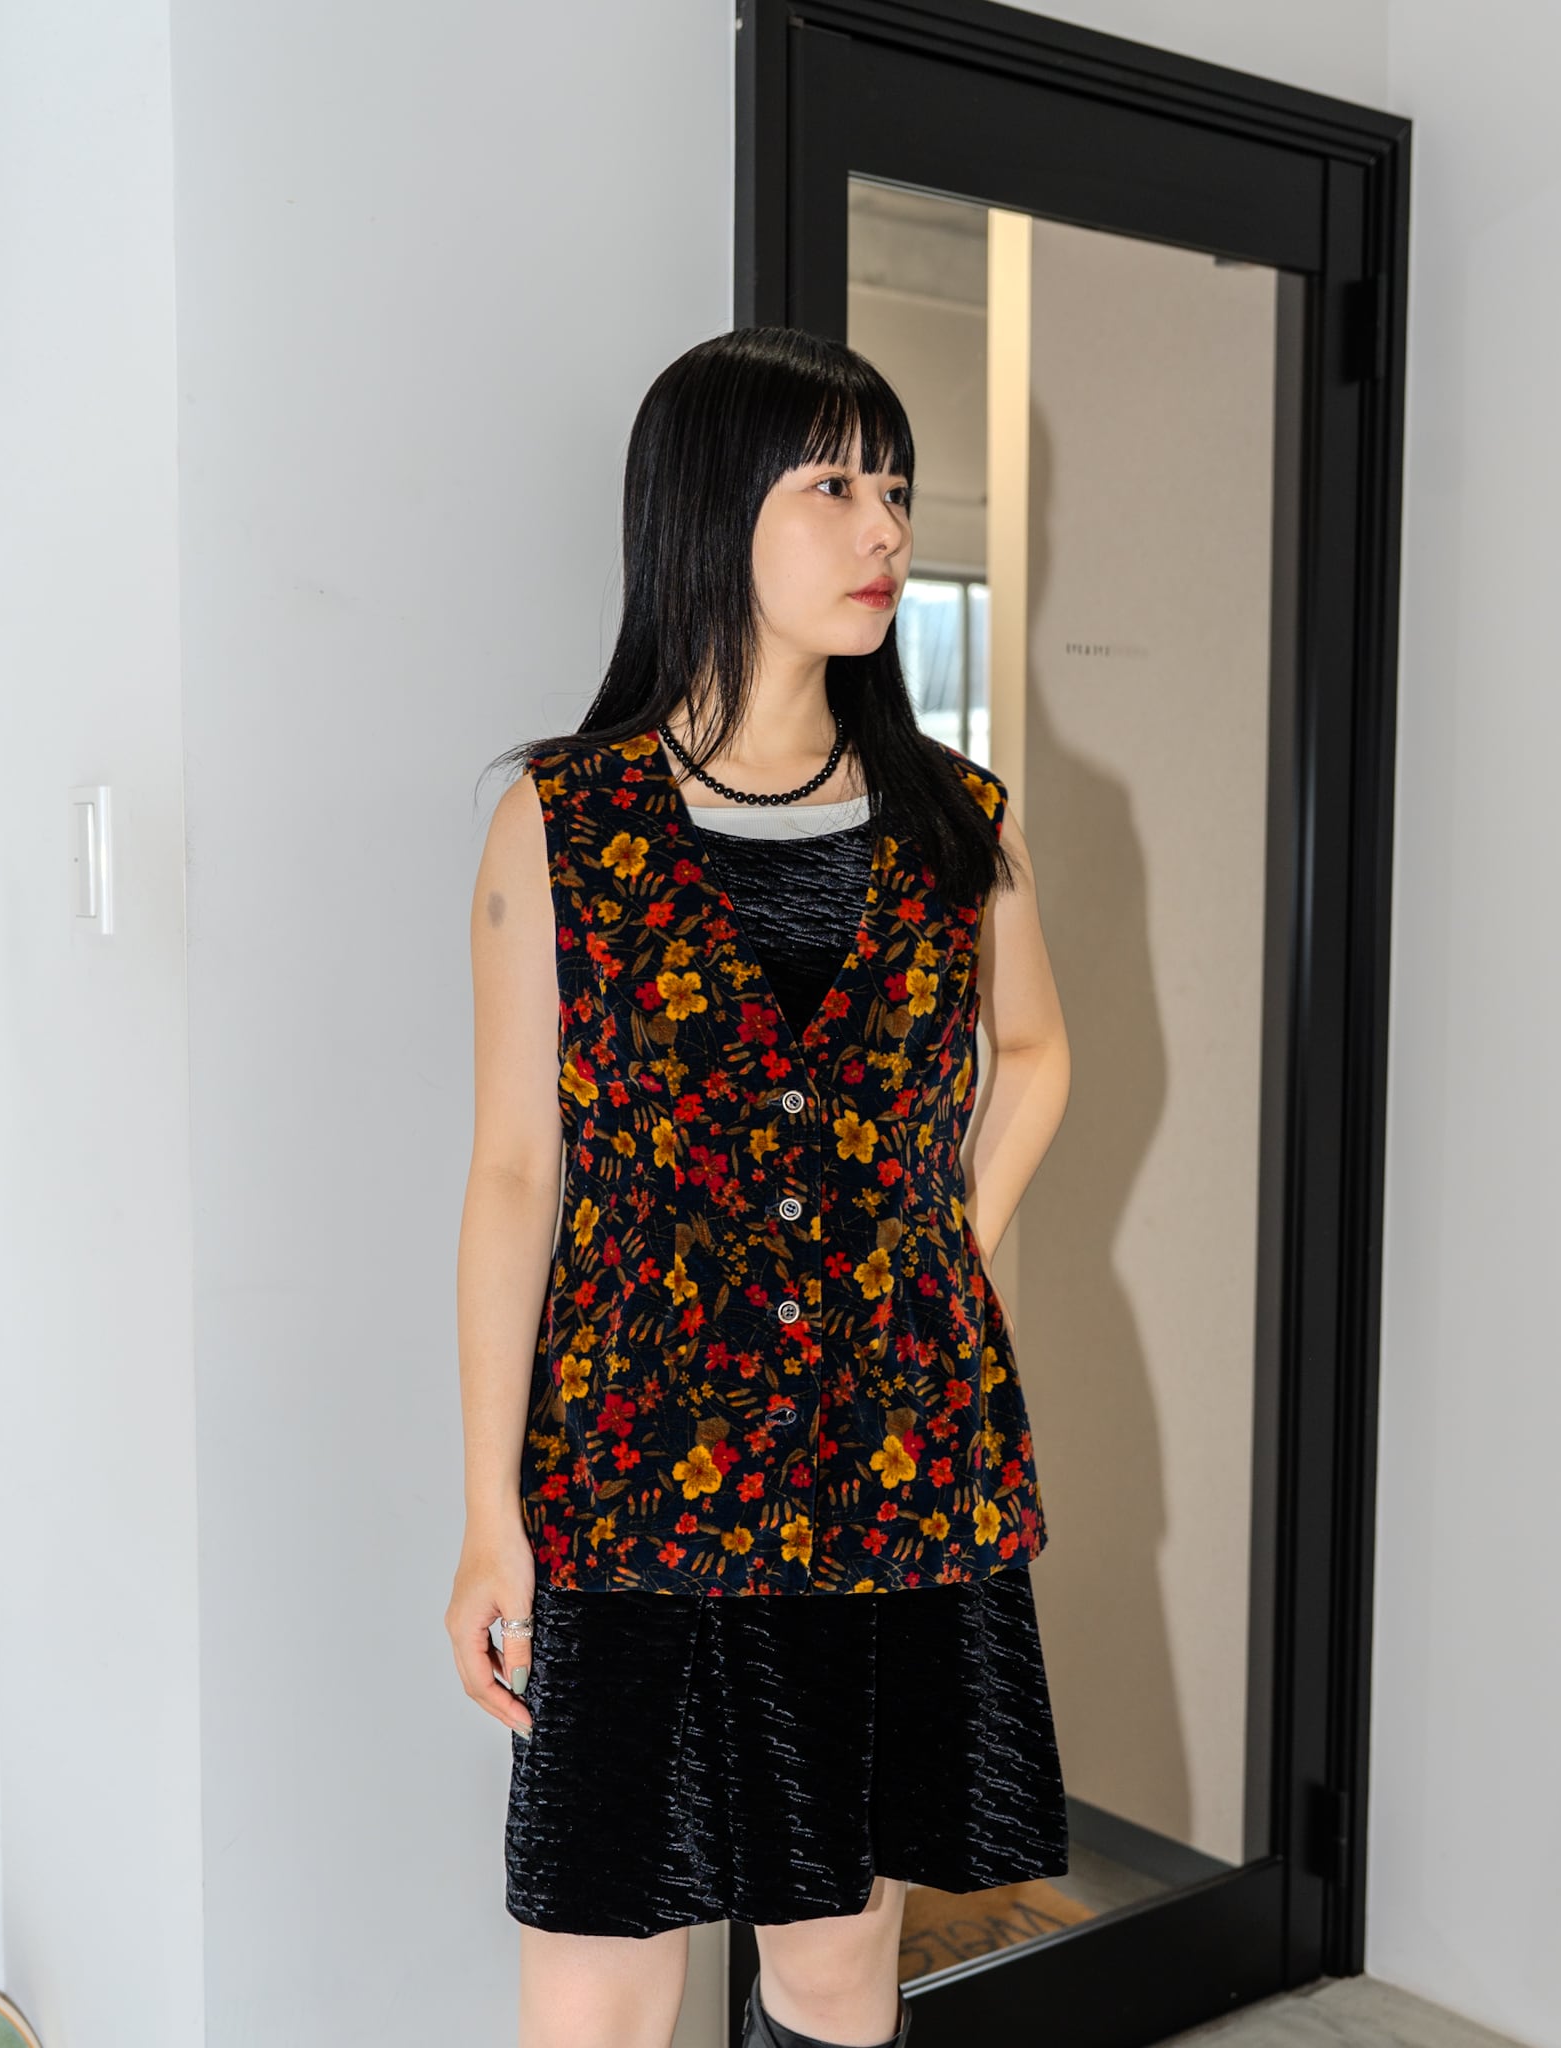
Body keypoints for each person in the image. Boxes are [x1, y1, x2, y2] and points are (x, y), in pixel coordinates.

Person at [446, 326, 1072, 2048]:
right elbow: (513, 1174)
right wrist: (491, 1514)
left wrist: (938, 1245)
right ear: (708, 510)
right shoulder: (564, 823)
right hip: (631, 1463)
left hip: (886, 1461)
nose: (885, 528)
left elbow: (1035, 1056)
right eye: (833, 485)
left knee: (832, 1956)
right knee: (597, 1959)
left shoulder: (956, 819)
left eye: (896, 488)